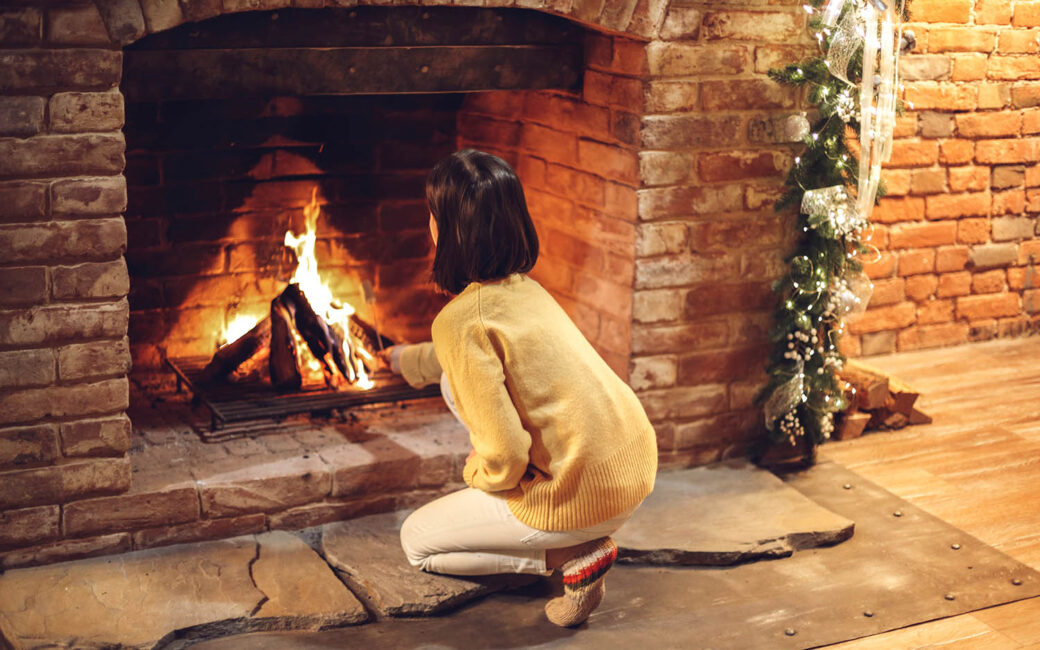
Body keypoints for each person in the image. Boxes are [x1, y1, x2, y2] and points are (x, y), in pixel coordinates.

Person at [379, 149, 658, 628]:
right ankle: (573, 538)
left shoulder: (460, 322)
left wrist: (480, 474)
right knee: (451, 380)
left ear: (445, 229)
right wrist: (407, 360)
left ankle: (572, 556)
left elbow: (506, 457)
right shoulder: (526, 290)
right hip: (629, 466)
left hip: (577, 495)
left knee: (416, 542)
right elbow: (464, 349)